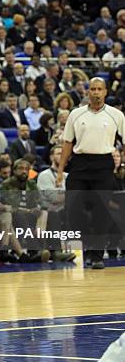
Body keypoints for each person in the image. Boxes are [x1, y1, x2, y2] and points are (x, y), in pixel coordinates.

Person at [56, 78, 125, 269]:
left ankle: (96, 255)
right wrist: (60, 170)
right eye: (92, 89)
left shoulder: (116, 115)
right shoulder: (76, 114)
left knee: (101, 211)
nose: (95, 92)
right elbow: (68, 142)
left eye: (99, 89)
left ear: (105, 92)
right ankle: (86, 246)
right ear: (88, 92)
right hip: (79, 163)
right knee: (73, 209)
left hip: (103, 164)